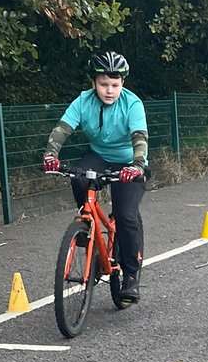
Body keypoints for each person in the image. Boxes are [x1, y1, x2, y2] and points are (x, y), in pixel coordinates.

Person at [43, 51, 148, 304]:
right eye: (103, 84)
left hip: (128, 161)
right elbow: (62, 129)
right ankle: (86, 226)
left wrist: (136, 165)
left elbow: (139, 138)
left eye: (115, 85)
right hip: (99, 156)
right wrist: (50, 154)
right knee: (78, 178)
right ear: (93, 83)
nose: (109, 91)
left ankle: (131, 276)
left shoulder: (133, 104)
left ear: (122, 83)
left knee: (125, 215)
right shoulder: (83, 101)